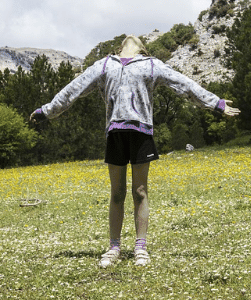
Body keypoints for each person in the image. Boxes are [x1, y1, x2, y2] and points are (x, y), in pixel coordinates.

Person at [30, 35, 239, 267]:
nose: (132, 35)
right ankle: (114, 248)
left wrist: (216, 103)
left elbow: (184, 84)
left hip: (141, 131)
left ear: (142, 48)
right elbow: (74, 89)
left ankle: (140, 247)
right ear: (119, 47)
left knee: (140, 191)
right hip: (115, 132)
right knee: (117, 192)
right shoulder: (104, 65)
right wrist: (47, 111)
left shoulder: (152, 65)